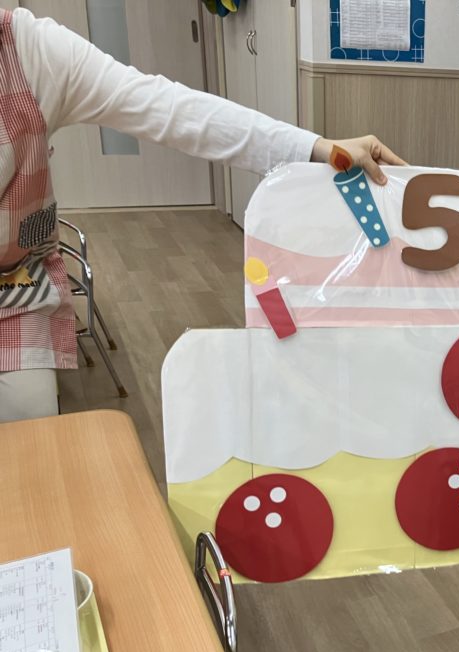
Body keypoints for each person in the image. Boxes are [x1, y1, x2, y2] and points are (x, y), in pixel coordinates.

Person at [0, 8, 404, 423]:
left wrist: (317, 147)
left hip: (15, 285)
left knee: (32, 421)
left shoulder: (30, 50)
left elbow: (172, 108)